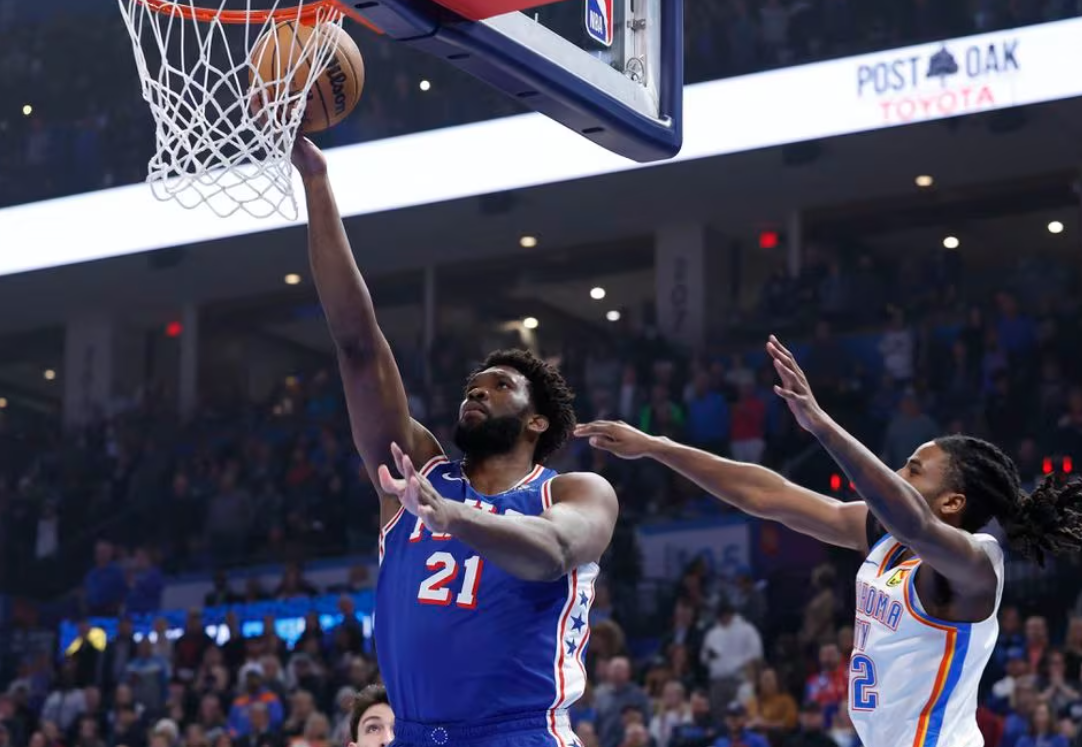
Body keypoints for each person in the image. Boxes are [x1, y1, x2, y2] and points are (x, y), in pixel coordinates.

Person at [576, 335, 1082, 747]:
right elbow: (764, 493)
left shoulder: (975, 566)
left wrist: (821, 425)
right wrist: (656, 447)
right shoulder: (883, 539)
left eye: (913, 468)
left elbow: (917, 526)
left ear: (952, 502)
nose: (898, 472)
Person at [292, 138, 619, 747]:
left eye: (499, 386)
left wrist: (453, 517)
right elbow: (359, 347)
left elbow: (550, 552)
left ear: (538, 421)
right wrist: (316, 184)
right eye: (472, 385)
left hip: (521, 734)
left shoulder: (574, 491)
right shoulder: (419, 473)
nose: (477, 391)